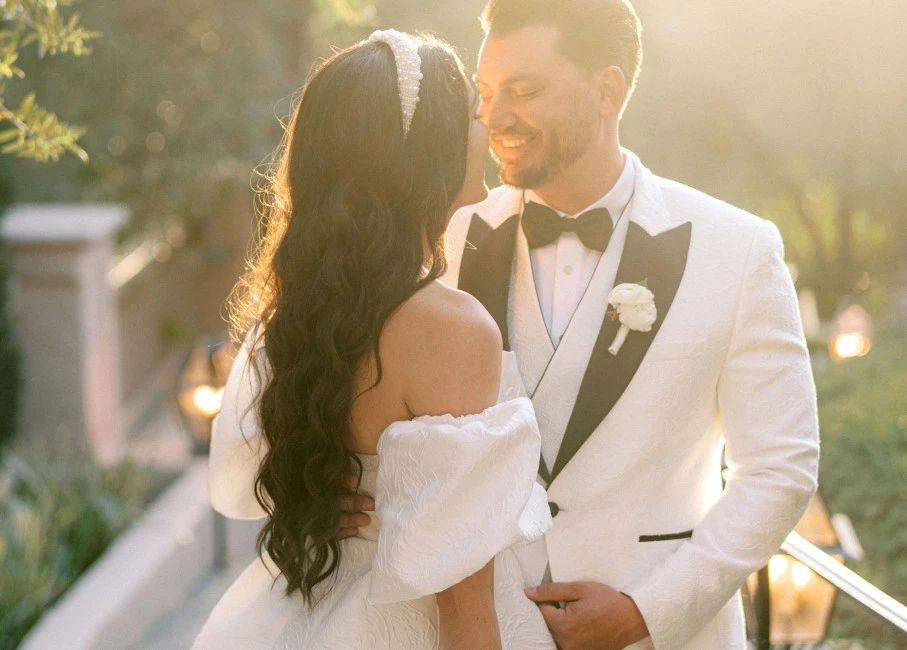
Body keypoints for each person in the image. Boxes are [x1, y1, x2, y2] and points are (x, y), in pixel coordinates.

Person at [437, 0, 820, 648]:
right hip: (486, 629)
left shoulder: (737, 250)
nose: (493, 117)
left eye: (523, 91)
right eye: (486, 92)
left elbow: (780, 469)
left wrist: (646, 611)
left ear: (606, 90)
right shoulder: (447, 236)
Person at [193, 31, 557, 649]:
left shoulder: (296, 314)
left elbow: (255, 472)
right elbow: (460, 589)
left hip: (305, 612)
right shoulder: (452, 330)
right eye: (473, 112)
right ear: (422, 153)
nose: (489, 123)